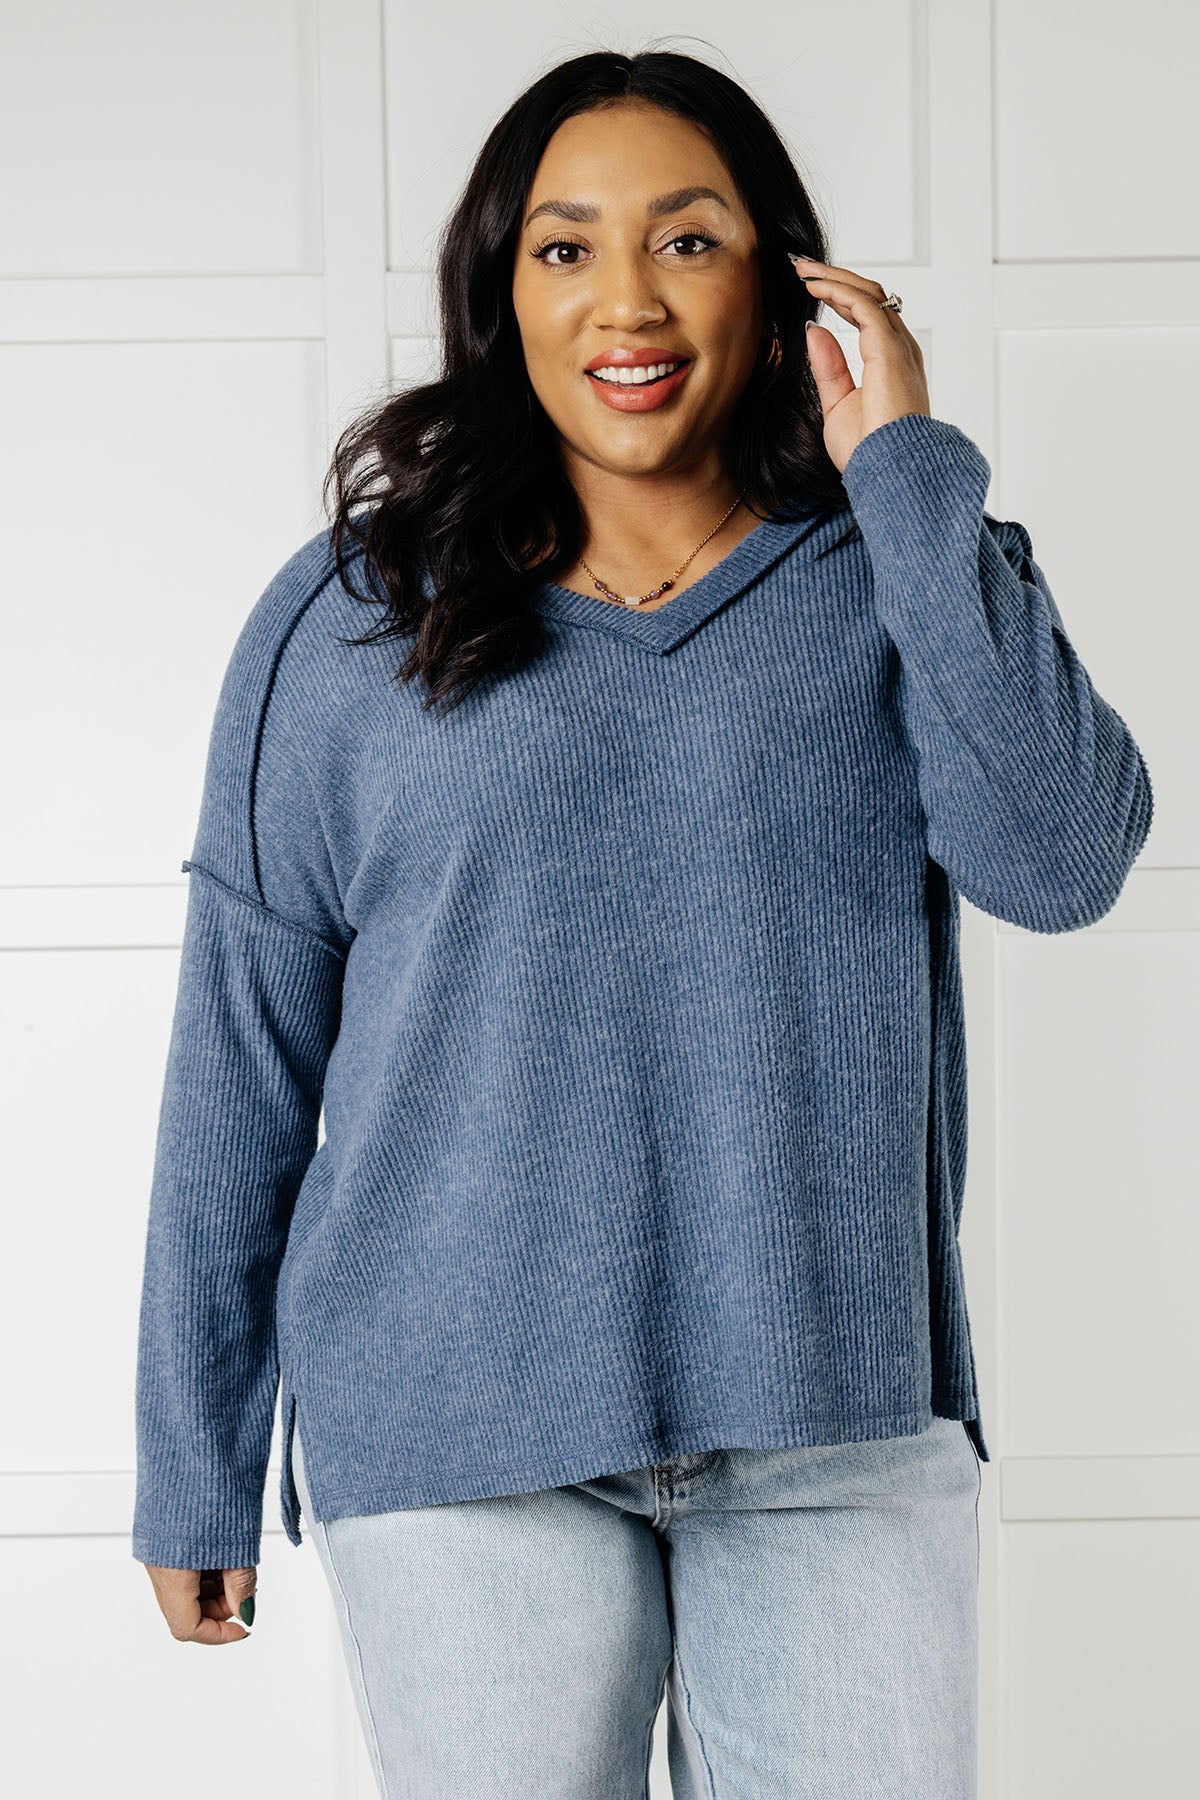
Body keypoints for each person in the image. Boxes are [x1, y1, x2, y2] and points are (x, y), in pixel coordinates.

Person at [132, 47, 1153, 1800]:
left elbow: (1060, 863)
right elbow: (242, 1054)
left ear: (780, 280)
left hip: (835, 1422)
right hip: (459, 1438)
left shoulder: (900, 570)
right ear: (501, 293)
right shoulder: (352, 621)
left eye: (687, 240)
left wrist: (909, 472)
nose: (628, 301)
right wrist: (194, 1461)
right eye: (565, 248)